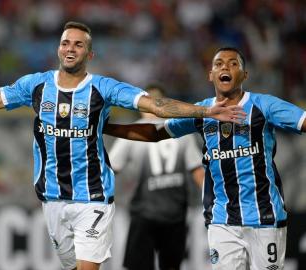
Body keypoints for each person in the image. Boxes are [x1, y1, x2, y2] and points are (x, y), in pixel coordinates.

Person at [0, 21, 245, 270]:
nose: (70, 49)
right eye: (66, 42)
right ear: (58, 48)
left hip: (93, 198)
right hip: (52, 199)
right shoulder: (35, 86)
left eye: (78, 44)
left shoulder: (103, 88)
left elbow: (156, 106)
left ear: (89, 53)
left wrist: (205, 111)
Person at [104, 47, 306, 270]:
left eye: (233, 63)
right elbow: (154, 132)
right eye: (219, 64)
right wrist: (105, 127)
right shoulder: (201, 111)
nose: (225, 67)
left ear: (244, 75)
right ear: (210, 75)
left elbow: (302, 121)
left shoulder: (264, 105)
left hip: (265, 216)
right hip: (222, 220)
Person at [108, 84, 205, 270]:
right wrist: (212, 200)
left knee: (138, 266)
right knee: (171, 266)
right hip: (175, 214)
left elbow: (111, 168)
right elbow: (198, 172)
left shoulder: (133, 132)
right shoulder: (180, 131)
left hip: (143, 213)